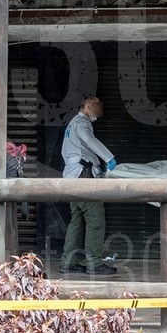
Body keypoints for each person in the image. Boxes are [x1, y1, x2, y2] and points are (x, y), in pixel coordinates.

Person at [59, 96, 118, 275]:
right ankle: (94, 264)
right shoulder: (81, 123)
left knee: (76, 221)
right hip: (83, 177)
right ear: (86, 107)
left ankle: (68, 263)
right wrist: (109, 158)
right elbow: (90, 140)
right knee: (95, 220)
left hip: (71, 178)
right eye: (95, 106)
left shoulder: (72, 124)